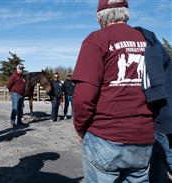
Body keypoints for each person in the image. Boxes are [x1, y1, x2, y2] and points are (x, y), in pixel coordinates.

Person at [72, 0, 154, 182]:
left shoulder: (97, 39)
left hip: (106, 135)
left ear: (99, 16)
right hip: (143, 135)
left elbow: (84, 95)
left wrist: (80, 127)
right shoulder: (146, 39)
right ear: (126, 12)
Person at [133, 27, 172, 182]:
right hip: (163, 113)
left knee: (168, 156)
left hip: (161, 115)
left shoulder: (150, 49)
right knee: (157, 158)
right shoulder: (155, 47)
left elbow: (153, 89)